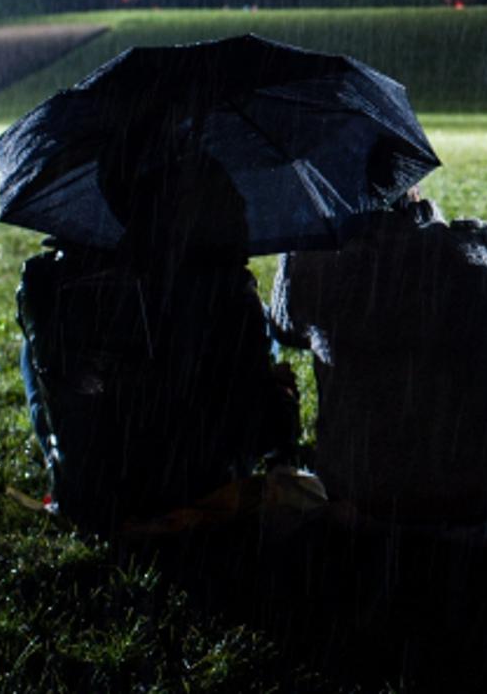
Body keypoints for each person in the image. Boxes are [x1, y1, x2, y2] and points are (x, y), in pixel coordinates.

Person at [17, 145, 300, 533]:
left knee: (33, 356)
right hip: (199, 484)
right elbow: (260, 419)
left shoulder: (63, 285)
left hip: (93, 498)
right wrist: (281, 401)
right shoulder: (229, 293)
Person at [270, 187, 487, 523]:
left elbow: (285, 329)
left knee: (329, 338)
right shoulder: (477, 244)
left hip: (358, 482)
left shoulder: (307, 261)